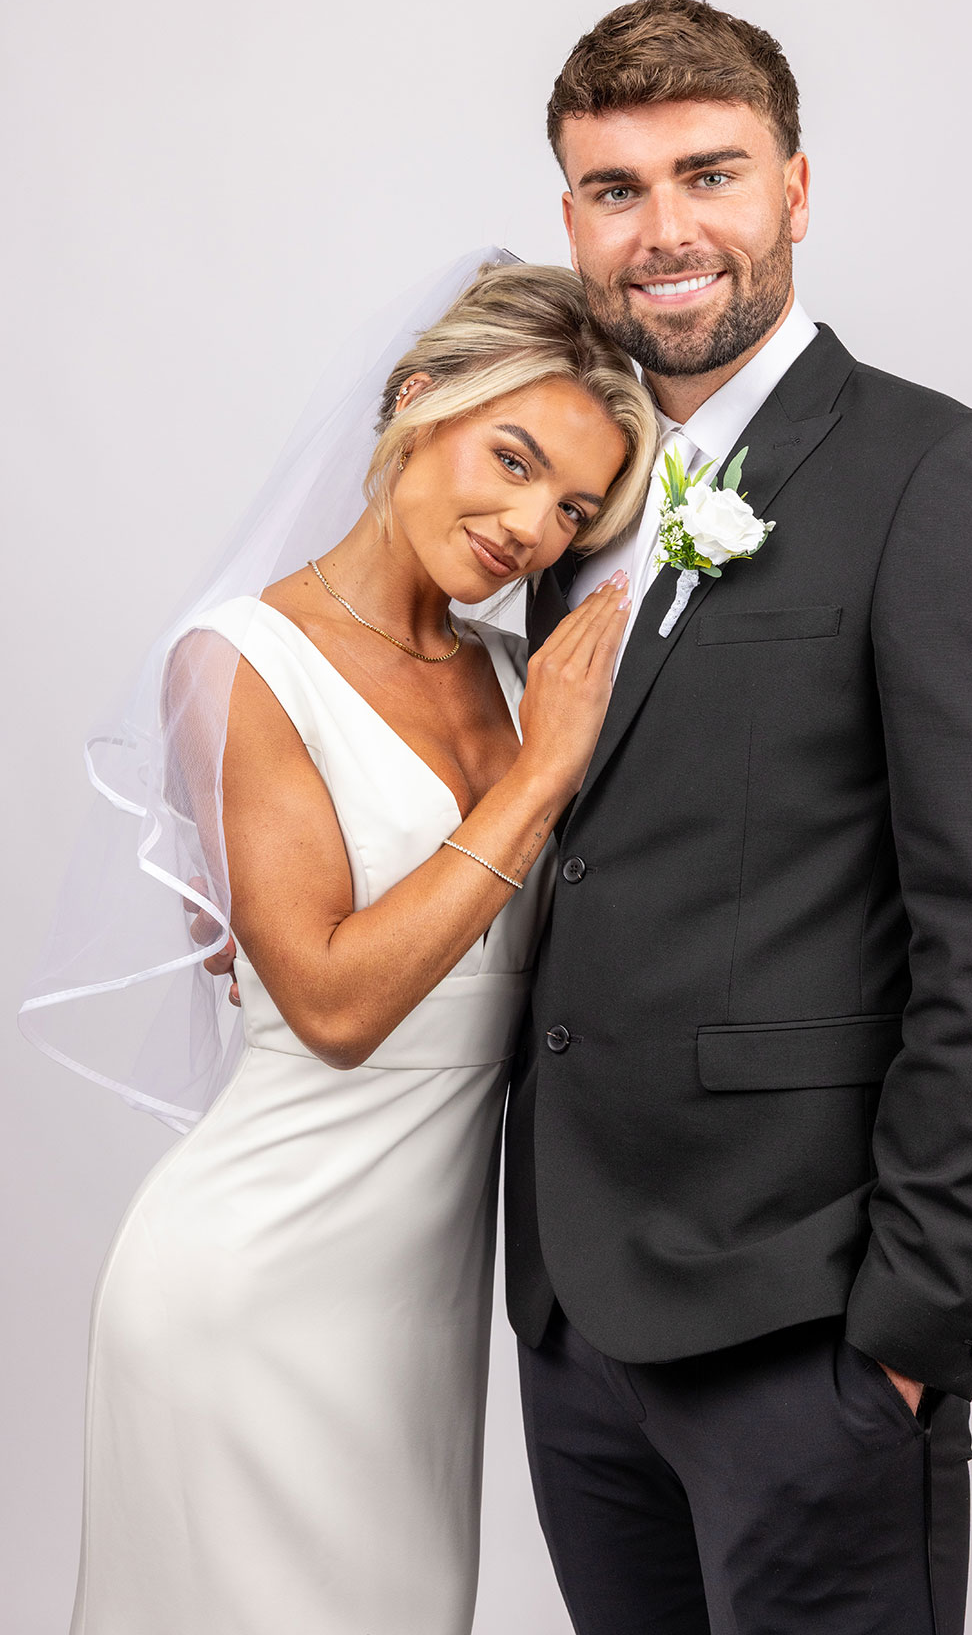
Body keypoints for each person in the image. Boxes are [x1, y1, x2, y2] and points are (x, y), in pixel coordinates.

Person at [498, 0, 972, 1635]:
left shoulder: (942, 477)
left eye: (712, 174)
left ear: (798, 191)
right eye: (617, 190)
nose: (666, 231)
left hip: (808, 1330)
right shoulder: (564, 507)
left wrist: (907, 1335)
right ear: (571, 218)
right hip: (576, 1330)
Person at [49, 261, 659, 1635]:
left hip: (415, 1327)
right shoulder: (239, 657)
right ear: (418, 398)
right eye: (512, 460)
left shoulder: (517, 675)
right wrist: (539, 778)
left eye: (570, 509)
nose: (527, 527)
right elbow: (331, 1004)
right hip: (249, 1288)